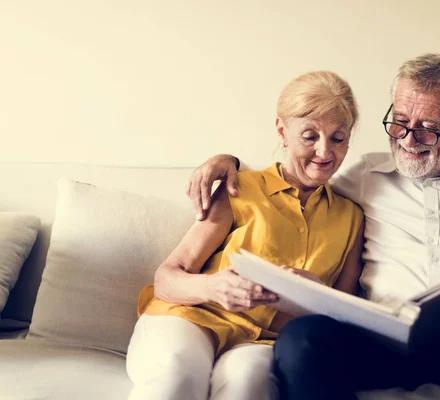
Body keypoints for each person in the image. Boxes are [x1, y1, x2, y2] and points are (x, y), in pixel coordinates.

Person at [186, 54, 440, 400]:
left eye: (429, 127)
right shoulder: (363, 175)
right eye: (400, 122)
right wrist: (230, 161)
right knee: (301, 339)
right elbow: (296, 174)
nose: (409, 139)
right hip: (381, 343)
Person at [126, 70, 365, 400]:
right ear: (282, 131)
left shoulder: (352, 217)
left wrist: (316, 293)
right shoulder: (241, 188)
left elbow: (347, 315)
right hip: (191, 317)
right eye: (309, 136)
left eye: (338, 139)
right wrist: (213, 286)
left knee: (248, 385)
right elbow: (167, 278)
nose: (324, 152)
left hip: (262, 340)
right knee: (179, 373)